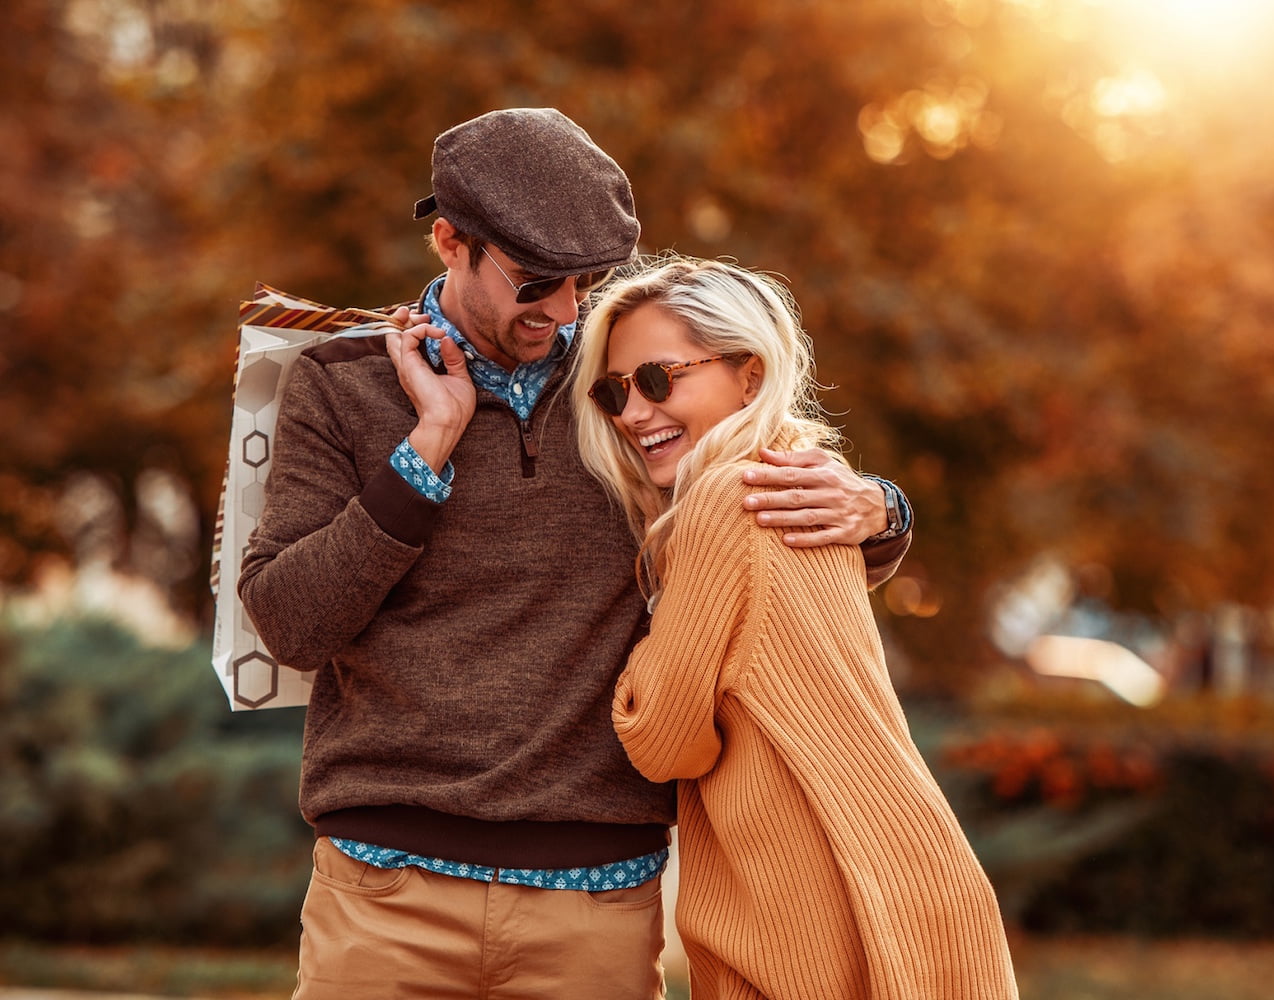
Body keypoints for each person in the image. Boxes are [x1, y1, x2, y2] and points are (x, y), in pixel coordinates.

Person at [237, 109, 913, 1000]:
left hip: (595, 910)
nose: (562, 311)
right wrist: (425, 451)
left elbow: (753, 510)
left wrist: (880, 510)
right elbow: (290, 622)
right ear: (450, 241)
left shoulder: (627, 387)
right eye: (536, 282)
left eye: (584, 282)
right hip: (383, 896)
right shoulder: (341, 382)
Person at [573, 257, 1019, 1000]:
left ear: (750, 375)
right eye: (614, 391)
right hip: (903, 889)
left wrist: (635, 654)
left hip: (822, 923)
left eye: (659, 379)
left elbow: (660, 736)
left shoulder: (725, 497)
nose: (633, 413)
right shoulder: (808, 480)